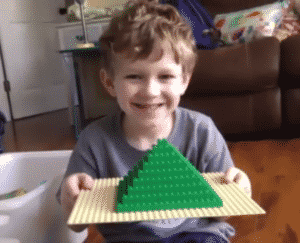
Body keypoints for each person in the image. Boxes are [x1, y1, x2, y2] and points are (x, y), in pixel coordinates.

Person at [56, 0, 252, 242]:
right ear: (109, 83)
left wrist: (241, 190)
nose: (150, 91)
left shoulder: (201, 131)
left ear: (184, 81)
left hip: (195, 234)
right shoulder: (94, 141)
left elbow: (222, 214)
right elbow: (77, 226)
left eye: (165, 76)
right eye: (134, 76)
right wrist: (70, 198)